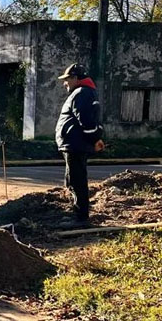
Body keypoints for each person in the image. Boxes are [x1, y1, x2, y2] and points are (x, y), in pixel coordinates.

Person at [55, 63, 105, 223]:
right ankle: (76, 213)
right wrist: (95, 139)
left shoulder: (82, 93)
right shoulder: (82, 92)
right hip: (74, 144)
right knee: (72, 179)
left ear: (76, 78)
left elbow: (86, 120)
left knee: (77, 180)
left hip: (76, 144)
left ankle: (80, 218)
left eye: (67, 79)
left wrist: (95, 139)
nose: (65, 83)